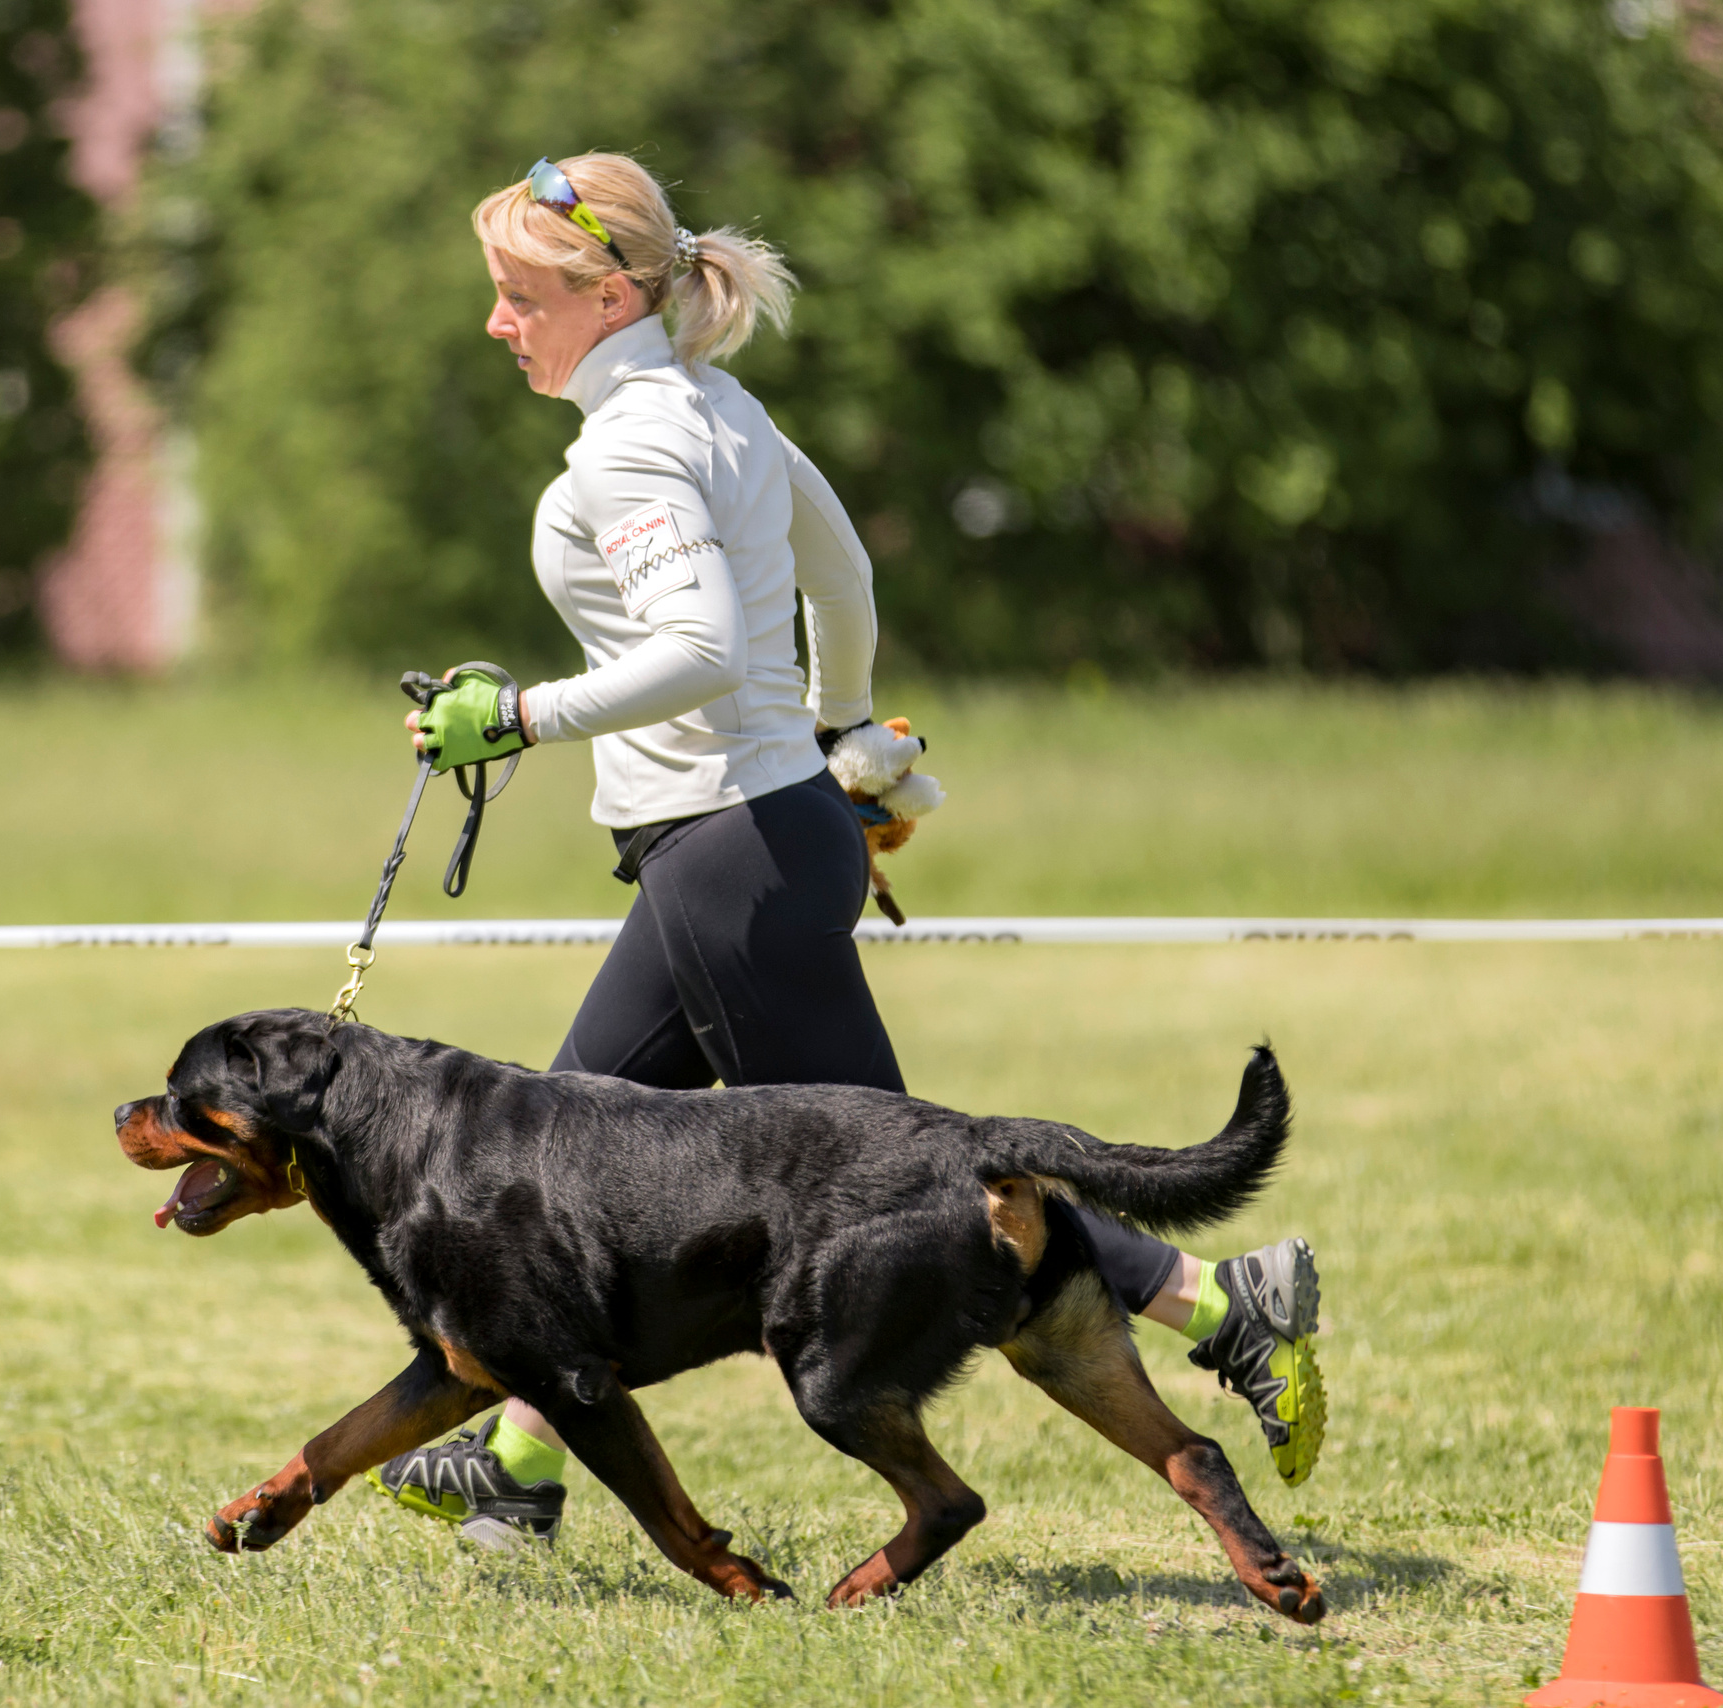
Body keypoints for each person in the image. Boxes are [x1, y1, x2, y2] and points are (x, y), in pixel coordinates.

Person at [368, 154, 1325, 1549]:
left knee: (920, 1195)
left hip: (730, 861)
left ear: (608, 293)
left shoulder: (635, 443)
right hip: (752, 843)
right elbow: (846, 576)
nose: (498, 323)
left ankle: (1222, 1305)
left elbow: (692, 650)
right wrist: (837, 741)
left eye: (520, 297)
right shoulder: (723, 407)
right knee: (556, 1177)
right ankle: (519, 1467)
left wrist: (515, 716)